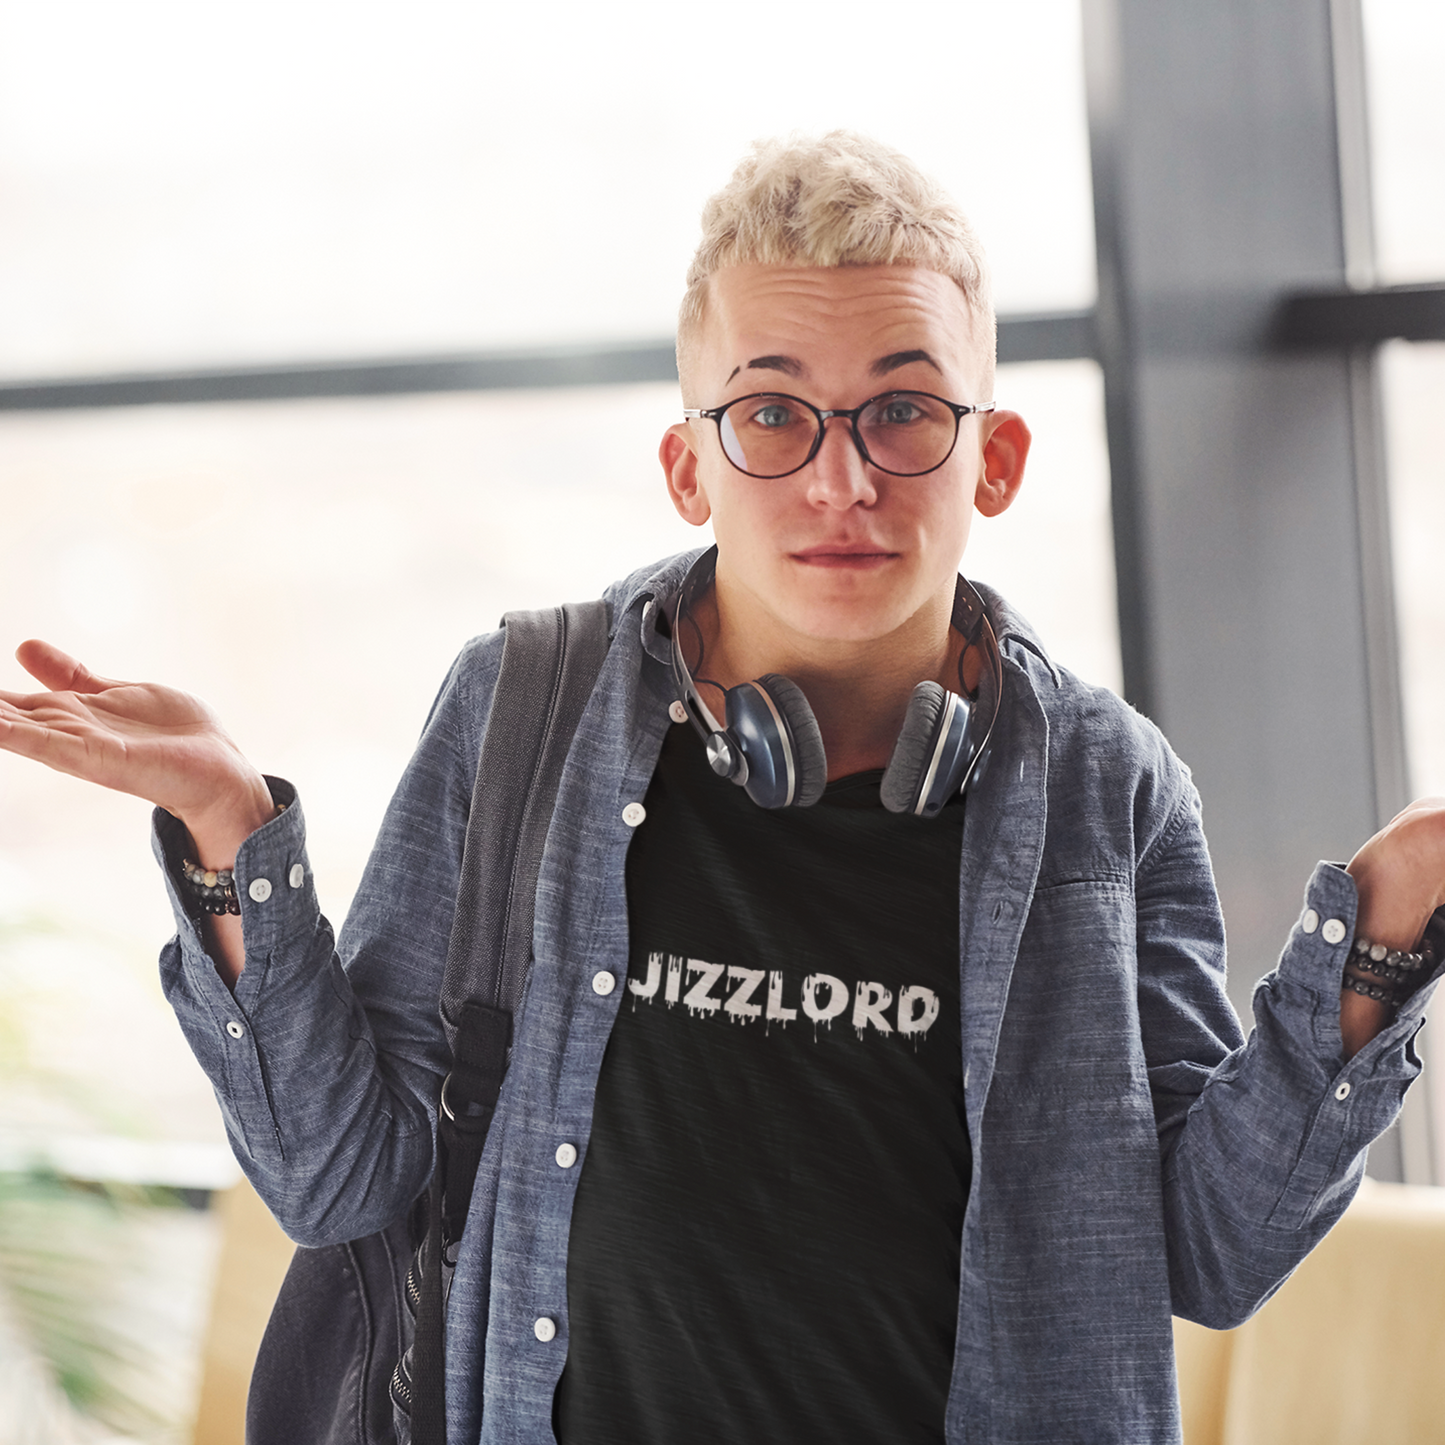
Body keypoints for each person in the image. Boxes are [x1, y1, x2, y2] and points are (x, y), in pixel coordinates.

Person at [1, 132, 1442, 1445]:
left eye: (903, 412)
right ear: (690, 466)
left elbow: (1208, 1252)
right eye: (771, 416)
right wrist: (229, 832)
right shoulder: (519, 712)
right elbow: (340, 1183)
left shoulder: (1107, 792)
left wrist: (1377, 937)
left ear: (992, 457)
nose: (841, 482)